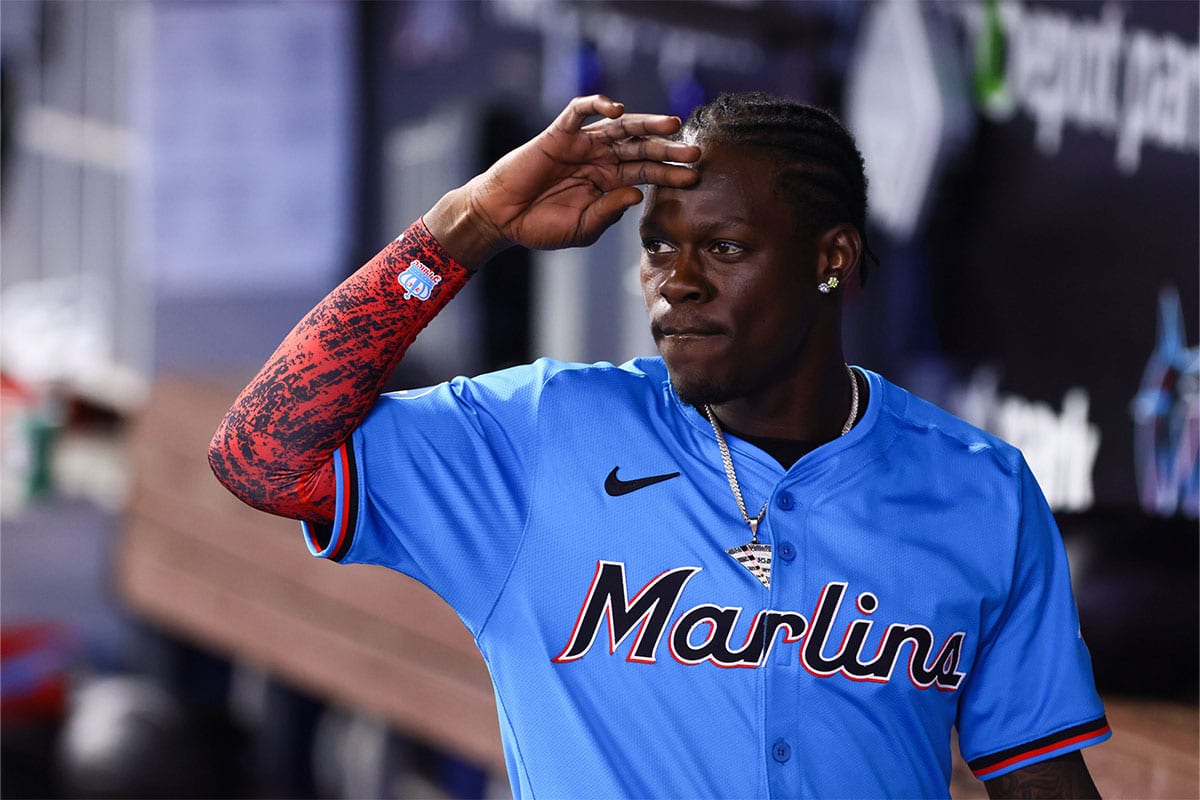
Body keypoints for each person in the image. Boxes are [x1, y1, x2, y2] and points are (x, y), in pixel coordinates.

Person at [210, 93, 1110, 798]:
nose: (676, 283)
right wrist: (469, 224)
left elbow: (1037, 777)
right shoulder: (544, 435)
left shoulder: (979, 491)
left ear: (831, 257)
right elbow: (258, 454)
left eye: (722, 247)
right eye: (657, 247)